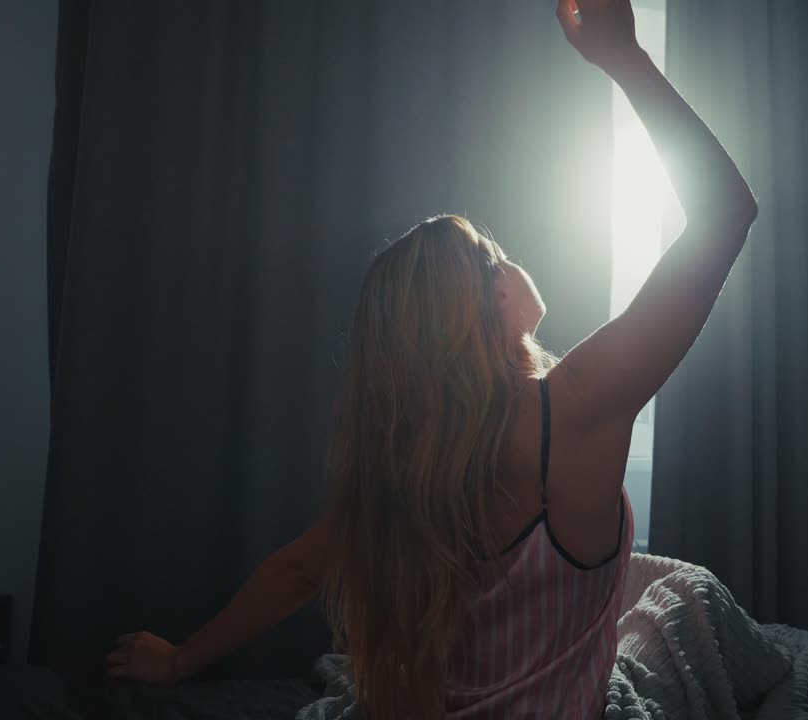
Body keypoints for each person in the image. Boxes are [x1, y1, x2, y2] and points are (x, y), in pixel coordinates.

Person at [106, 0, 756, 717]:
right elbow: (726, 212)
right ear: (487, 303)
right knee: (684, 597)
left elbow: (295, 571)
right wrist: (621, 57)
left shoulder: (406, 464)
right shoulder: (574, 409)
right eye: (492, 254)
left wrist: (180, 660)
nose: (510, 260)